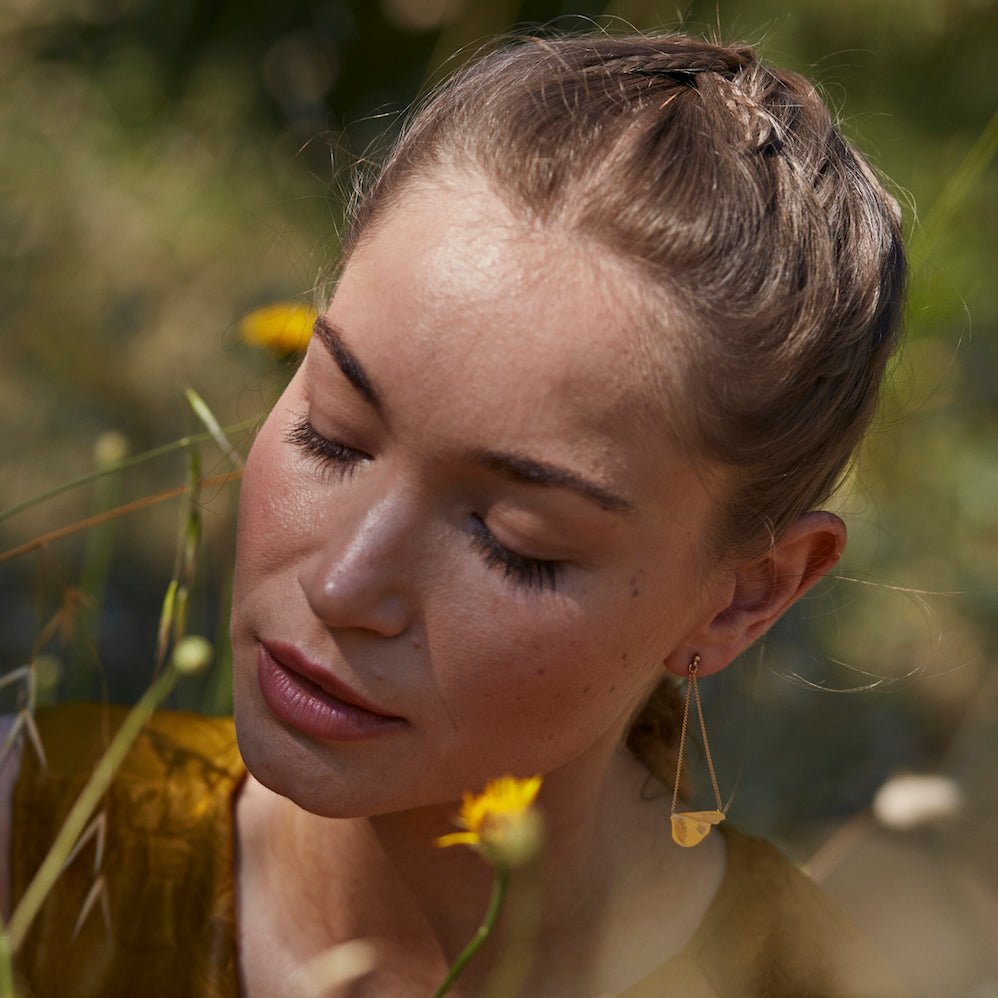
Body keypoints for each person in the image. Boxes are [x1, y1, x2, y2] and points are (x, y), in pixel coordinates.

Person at [7, 31, 911, 998]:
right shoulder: (45, 839)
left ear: (746, 596)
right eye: (332, 435)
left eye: (515, 541)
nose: (344, 585)